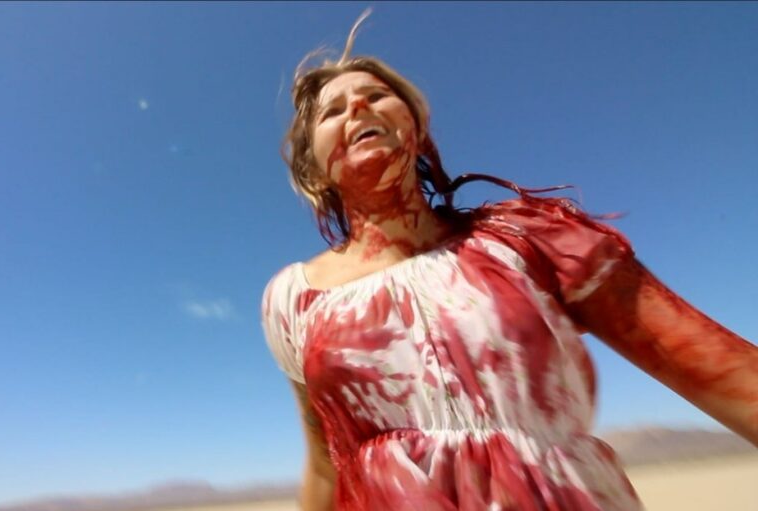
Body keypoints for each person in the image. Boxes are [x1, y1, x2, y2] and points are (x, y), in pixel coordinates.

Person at [260, 10, 758, 511]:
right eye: (332, 111)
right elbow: (326, 464)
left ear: (417, 129)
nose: (358, 108)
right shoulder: (295, 301)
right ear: (314, 170)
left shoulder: (525, 237)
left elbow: (718, 369)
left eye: (376, 95)